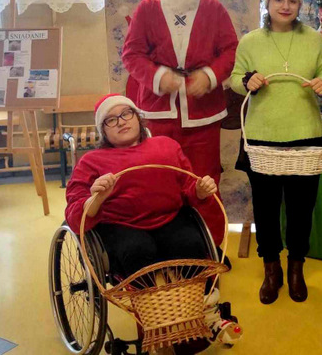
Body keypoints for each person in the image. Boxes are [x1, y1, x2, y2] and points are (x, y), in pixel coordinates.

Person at [122, 0, 238, 242]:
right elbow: (132, 54)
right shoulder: (147, 7)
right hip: (158, 115)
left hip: (203, 116)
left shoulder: (213, 8)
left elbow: (230, 50)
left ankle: (210, 249)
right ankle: (165, 248)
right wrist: (159, 77)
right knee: (160, 181)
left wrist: (209, 76)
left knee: (205, 182)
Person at [231, 0, 322, 304]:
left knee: (302, 208)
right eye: (278, 0)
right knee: (265, 208)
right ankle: (271, 267)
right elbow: (234, 78)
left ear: (300, 5)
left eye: (292, 0)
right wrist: (247, 80)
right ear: (267, 4)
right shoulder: (250, 42)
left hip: (306, 134)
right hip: (262, 136)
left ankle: (296, 267)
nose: (285, 6)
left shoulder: (314, 39)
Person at [65, 94, 220, 277]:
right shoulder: (91, 161)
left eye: (126, 113)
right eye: (111, 120)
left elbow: (188, 189)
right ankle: (147, 295)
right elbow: (74, 216)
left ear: (137, 117)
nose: (121, 122)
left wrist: (199, 191)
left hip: (170, 218)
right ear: (103, 131)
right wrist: (96, 199)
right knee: (137, 250)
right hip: (120, 225)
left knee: (190, 244)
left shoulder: (167, 146)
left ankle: (193, 291)